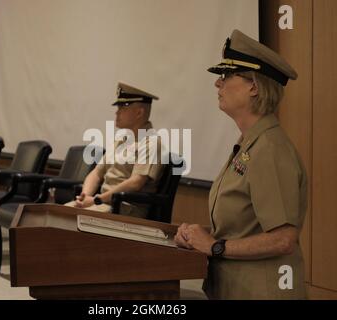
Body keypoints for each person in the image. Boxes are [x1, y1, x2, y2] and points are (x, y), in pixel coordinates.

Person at [174, 30, 307, 299]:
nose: (217, 84)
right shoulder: (251, 143)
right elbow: (244, 230)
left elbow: (283, 239)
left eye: (226, 76)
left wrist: (215, 246)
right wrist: (200, 237)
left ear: (254, 87)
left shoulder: (269, 148)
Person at [65, 82, 165, 218]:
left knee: (71, 219)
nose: (117, 112)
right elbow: (97, 173)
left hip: (125, 208)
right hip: (103, 203)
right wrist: (85, 196)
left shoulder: (151, 142)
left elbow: (136, 183)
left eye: (123, 107)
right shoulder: (121, 139)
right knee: (60, 213)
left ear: (139, 112)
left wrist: (96, 199)